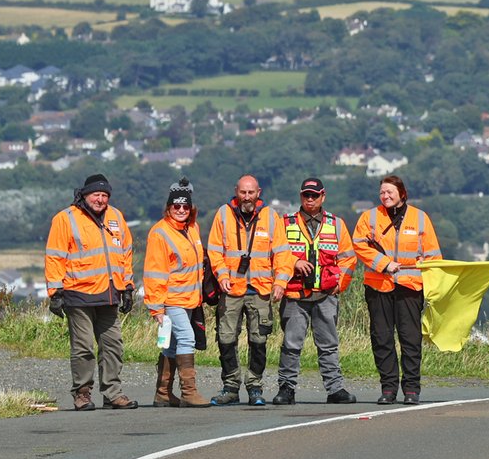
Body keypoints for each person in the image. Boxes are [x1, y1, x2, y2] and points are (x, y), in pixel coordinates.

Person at [44, 173, 138, 411]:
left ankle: (113, 393)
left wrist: (127, 286)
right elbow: (55, 256)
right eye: (96, 194)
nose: (100, 199)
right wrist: (55, 292)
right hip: (78, 293)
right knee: (83, 347)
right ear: (85, 195)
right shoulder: (65, 219)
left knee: (113, 345)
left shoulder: (116, 216)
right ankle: (82, 393)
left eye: (105, 195)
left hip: (109, 293)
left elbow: (125, 253)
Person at [353, 175, 442, 406]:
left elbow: (434, 255)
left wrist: (426, 265)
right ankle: (389, 388)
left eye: (390, 192)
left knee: (410, 339)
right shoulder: (369, 217)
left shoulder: (420, 219)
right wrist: (384, 263)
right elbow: (359, 245)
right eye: (382, 192)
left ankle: (412, 389)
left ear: (402, 193)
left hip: (410, 287)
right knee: (382, 339)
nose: (385, 196)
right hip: (378, 286)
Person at [206, 174, 292, 406]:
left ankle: (255, 386)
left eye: (251, 192)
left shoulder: (271, 217)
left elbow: (283, 254)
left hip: (260, 290)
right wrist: (222, 275)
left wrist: (280, 283)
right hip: (231, 288)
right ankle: (231, 386)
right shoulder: (223, 215)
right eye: (243, 192)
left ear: (258, 192)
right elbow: (214, 251)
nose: (246, 197)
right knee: (225, 338)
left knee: (259, 340)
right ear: (236, 191)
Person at [271, 177, 358, 405]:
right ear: (300, 196)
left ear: (323, 196)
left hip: (326, 295)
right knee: (291, 345)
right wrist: (294, 262)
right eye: (306, 195)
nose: (310, 199)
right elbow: (274, 253)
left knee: (328, 344)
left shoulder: (336, 224)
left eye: (314, 195)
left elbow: (348, 258)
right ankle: (286, 389)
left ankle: (335, 389)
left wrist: (340, 284)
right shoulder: (285, 223)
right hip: (295, 295)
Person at [143, 177, 210, 408]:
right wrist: (156, 307)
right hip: (171, 299)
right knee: (187, 338)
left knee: (171, 346)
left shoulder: (192, 228)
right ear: (168, 207)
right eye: (176, 206)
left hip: (190, 298)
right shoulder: (159, 233)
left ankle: (162, 393)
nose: (181, 210)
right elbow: (154, 272)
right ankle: (189, 392)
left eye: (185, 206)